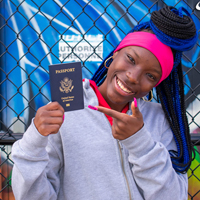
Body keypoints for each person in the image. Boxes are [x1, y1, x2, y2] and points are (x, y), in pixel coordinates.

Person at [11, 6, 197, 200]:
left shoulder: (159, 119)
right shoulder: (66, 109)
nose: (133, 77)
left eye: (150, 75)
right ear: (115, 54)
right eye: (131, 59)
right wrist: (35, 139)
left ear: (155, 85)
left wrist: (140, 143)